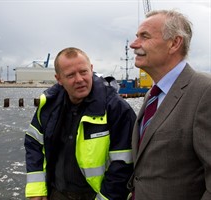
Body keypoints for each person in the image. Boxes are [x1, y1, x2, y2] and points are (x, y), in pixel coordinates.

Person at [24, 47, 136, 200]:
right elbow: (33, 142)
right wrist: (36, 189)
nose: (79, 79)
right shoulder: (49, 104)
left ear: (91, 69)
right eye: (70, 75)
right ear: (59, 79)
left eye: (83, 72)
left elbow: (124, 164)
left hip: (96, 195)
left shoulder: (116, 108)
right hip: (56, 193)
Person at [128, 10, 211, 200]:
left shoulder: (205, 92)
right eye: (136, 37)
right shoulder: (152, 94)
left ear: (174, 43)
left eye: (144, 36)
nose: (134, 44)